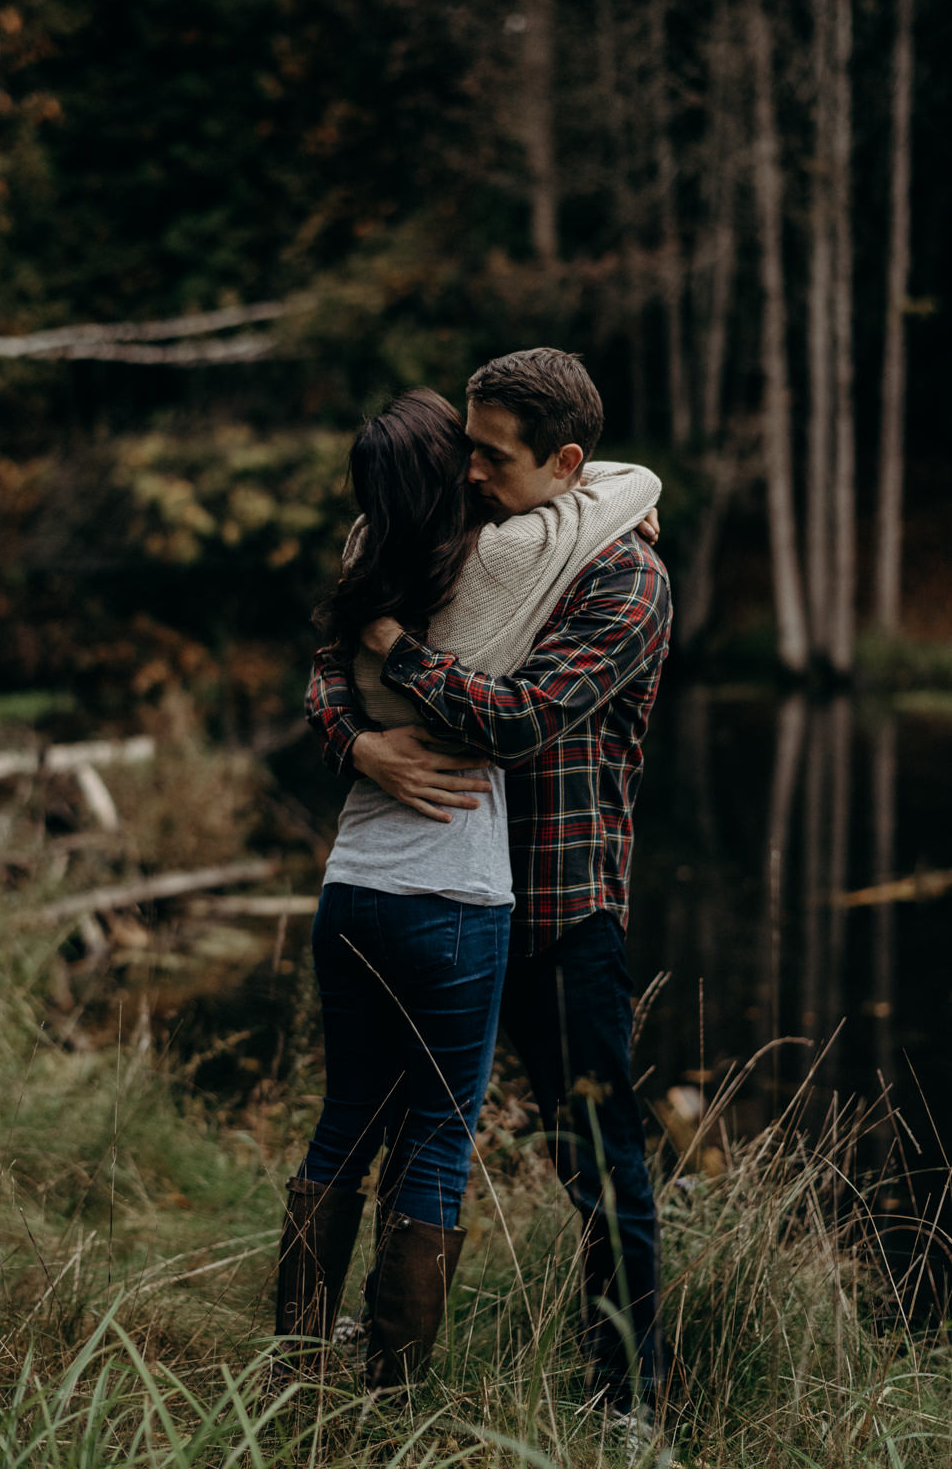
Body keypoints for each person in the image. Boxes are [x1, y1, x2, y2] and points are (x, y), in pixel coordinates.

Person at [306, 349, 672, 1413]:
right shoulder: (480, 540)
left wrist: (394, 648)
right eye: (464, 446)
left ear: (566, 463)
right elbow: (333, 654)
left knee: (601, 1175)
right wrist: (355, 743)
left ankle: (628, 1406)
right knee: (371, 1132)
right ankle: (341, 1383)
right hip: (437, 896)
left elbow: (513, 721)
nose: (466, 473)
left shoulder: (626, 579)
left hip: (558, 914)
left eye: (491, 455)